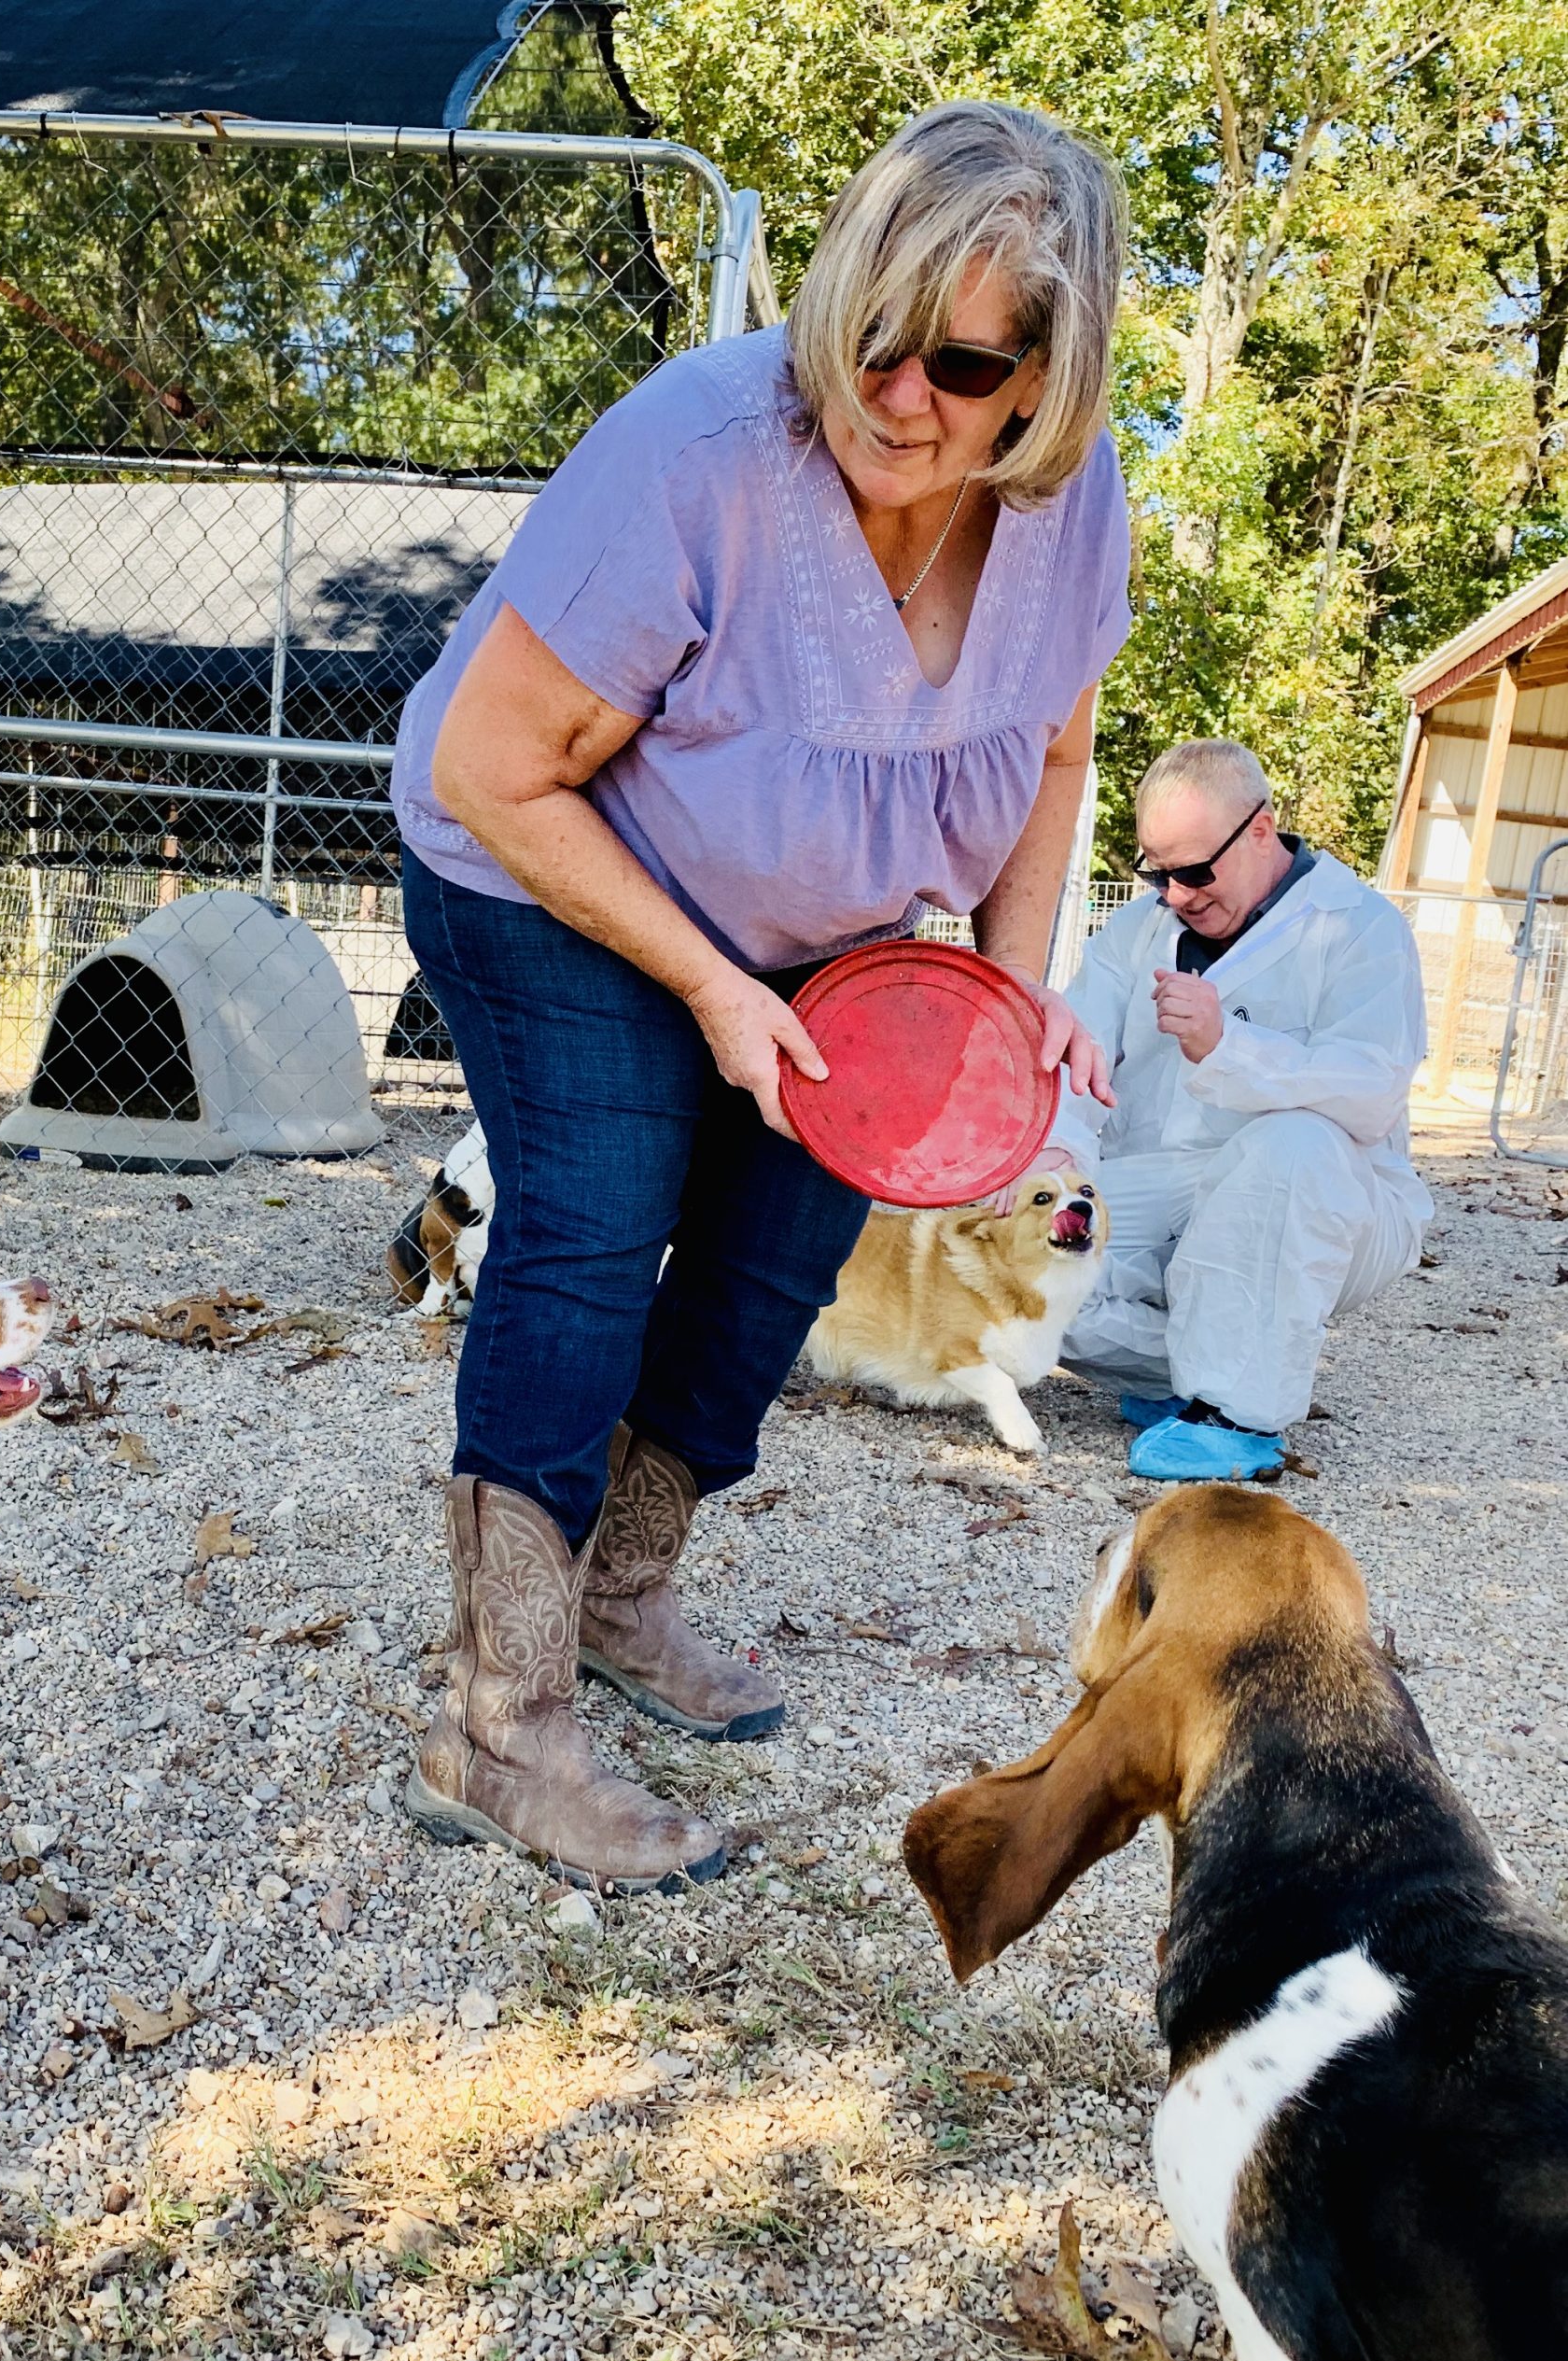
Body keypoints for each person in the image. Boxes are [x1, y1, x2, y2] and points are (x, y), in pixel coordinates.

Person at [389, 99, 1133, 1893]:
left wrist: (1005, 992)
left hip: (824, 929)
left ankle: (622, 1596)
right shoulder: (697, 456)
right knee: (592, 1215)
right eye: (865, 339)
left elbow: (1050, 745)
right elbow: (500, 773)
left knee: (781, 1248)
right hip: (546, 870)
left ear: (1047, 376)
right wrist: (716, 993)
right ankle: (495, 1720)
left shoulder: (1065, 503)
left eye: (958, 364)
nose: (897, 396)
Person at [1054, 738, 1433, 1482]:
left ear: (1261, 828)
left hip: (1325, 1202)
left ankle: (1237, 1415)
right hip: (1168, 1182)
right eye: (1156, 872)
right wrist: (1061, 1161)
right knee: (1012, 1254)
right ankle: (1195, 1365)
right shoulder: (1138, 932)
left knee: (1293, 1142)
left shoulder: (1360, 928)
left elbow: (1370, 1092)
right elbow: (1074, 1065)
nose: (1175, 895)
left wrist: (1231, 1046)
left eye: (1194, 872)